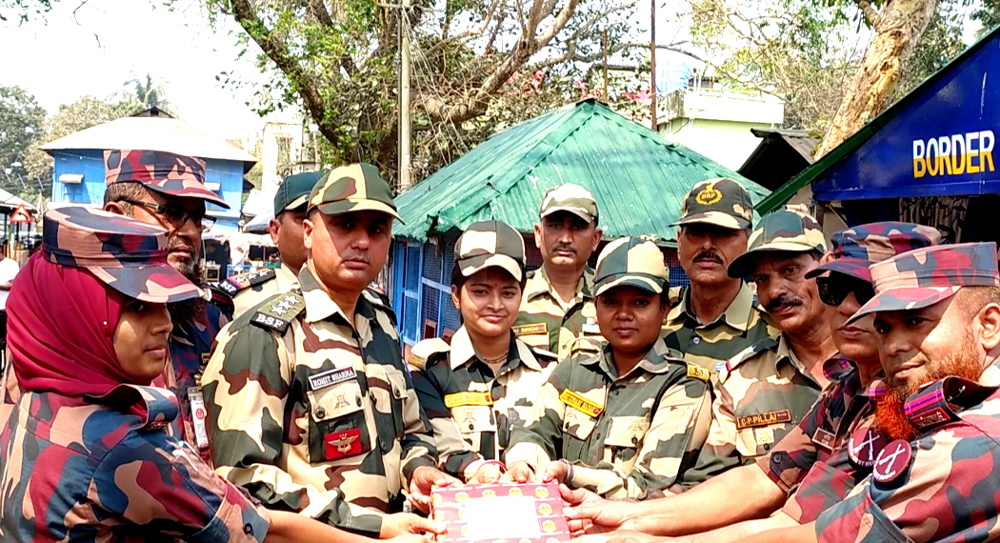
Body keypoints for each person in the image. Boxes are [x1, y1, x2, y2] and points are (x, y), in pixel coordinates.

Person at [0, 206, 437, 543]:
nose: (164, 324)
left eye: (163, 306)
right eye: (137, 307)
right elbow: (258, 526)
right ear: (76, 316)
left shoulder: (34, 404)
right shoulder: (126, 447)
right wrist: (379, 536)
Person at [560, 222, 942, 541]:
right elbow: (764, 481)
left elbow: (822, 532)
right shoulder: (847, 393)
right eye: (835, 289)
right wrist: (630, 516)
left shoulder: (933, 401)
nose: (846, 307)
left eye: (868, 292)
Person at [202, 163, 456, 538]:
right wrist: (373, 527)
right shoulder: (266, 336)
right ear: (308, 233)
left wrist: (418, 470)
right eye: (344, 225)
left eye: (376, 229)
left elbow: (412, 430)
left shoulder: (382, 325)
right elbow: (244, 482)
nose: (362, 242)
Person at [745, 241, 1000, 543]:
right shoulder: (948, 405)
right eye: (884, 329)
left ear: (989, 325)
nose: (893, 346)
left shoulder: (970, 443)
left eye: (916, 321)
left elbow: (823, 538)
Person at [502, 237, 712, 498]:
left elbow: (648, 486)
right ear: (595, 306)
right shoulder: (577, 367)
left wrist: (571, 474)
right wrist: (524, 465)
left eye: (640, 302)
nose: (624, 314)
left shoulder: (683, 386)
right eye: (611, 301)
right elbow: (534, 431)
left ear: (665, 308)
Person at [674, 206, 836, 487]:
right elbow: (705, 486)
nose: (774, 292)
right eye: (762, 279)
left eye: (790, 270)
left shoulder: (875, 362)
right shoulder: (739, 382)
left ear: (826, 267)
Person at [102, 149, 230, 459]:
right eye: (171, 213)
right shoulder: (77, 324)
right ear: (117, 216)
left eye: (197, 219)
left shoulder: (212, 323)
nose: (190, 232)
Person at [409, 220, 557, 484]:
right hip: (457, 505)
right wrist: (475, 470)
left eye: (508, 293)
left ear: (521, 295)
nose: (496, 304)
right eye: (480, 292)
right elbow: (434, 442)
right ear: (456, 295)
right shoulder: (431, 370)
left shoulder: (548, 372)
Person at [663, 178, 776, 371]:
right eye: (696, 232)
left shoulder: (776, 329)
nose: (707, 245)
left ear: (750, 241)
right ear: (679, 241)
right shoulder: (654, 315)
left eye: (724, 233)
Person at [515, 183, 604, 360]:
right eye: (555, 225)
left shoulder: (612, 297)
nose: (565, 239)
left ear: (596, 238)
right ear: (538, 234)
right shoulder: (513, 296)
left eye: (578, 227)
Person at [221, 171, 324, 318]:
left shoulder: (356, 299)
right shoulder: (238, 302)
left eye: (335, 222)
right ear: (275, 231)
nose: (319, 229)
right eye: (303, 219)